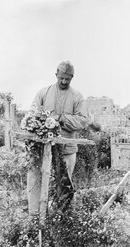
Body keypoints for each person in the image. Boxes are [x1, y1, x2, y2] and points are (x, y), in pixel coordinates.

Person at [27, 61, 89, 213]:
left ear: (72, 78)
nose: (63, 81)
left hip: (67, 150)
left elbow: (83, 120)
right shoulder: (44, 93)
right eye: (61, 78)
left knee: (63, 184)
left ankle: (60, 217)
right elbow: (33, 113)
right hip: (42, 149)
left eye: (67, 79)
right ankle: (35, 214)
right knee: (36, 179)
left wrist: (61, 118)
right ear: (56, 75)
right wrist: (40, 121)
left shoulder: (77, 97)